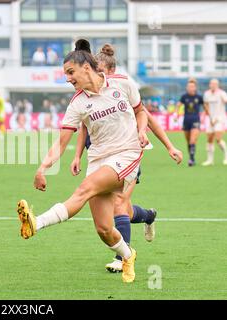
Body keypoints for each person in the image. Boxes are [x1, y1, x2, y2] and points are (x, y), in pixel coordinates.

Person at [17, 39, 150, 283]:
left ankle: (37, 223)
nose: (67, 78)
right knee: (103, 229)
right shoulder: (77, 104)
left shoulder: (122, 83)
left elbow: (141, 111)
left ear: (86, 68)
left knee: (85, 189)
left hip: (127, 154)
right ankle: (128, 254)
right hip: (99, 159)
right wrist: (43, 167)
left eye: (70, 72)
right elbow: (61, 143)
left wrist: (142, 131)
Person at [70, 43, 183, 273]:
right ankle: (149, 215)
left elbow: (148, 119)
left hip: (127, 155)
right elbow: (82, 127)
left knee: (119, 206)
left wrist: (170, 146)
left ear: (109, 71)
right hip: (101, 157)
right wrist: (77, 156)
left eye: (99, 69)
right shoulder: (89, 95)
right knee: (126, 211)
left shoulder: (122, 89)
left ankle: (123, 258)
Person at [176, 78, 204, 166]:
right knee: (188, 142)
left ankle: (191, 160)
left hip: (196, 120)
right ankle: (192, 157)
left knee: (192, 141)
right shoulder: (184, 96)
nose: (190, 88)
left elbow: (206, 108)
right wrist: (177, 114)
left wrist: (203, 116)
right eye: (188, 87)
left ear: (195, 88)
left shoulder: (199, 97)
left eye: (192, 86)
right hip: (186, 120)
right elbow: (178, 105)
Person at [202, 78, 227, 166]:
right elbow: (206, 105)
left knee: (218, 139)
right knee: (209, 139)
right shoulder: (207, 94)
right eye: (211, 84)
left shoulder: (222, 93)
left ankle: (226, 157)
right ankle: (210, 160)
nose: (212, 85)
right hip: (210, 119)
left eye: (214, 84)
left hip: (220, 119)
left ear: (217, 85)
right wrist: (205, 115)